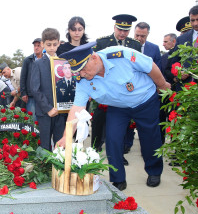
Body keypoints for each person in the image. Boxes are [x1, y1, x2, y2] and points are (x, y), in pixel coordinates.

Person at [57, 42, 170, 191]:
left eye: (83, 69)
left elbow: (150, 67)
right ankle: (118, 180)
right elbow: (77, 109)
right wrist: (66, 136)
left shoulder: (121, 55)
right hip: (118, 107)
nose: (82, 74)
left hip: (144, 100)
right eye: (78, 71)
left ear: (94, 58)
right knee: (112, 139)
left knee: (150, 137)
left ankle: (154, 171)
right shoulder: (83, 80)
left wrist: (162, 86)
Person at [91, 14, 141, 158]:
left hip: (124, 91)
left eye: (126, 30)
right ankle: (94, 150)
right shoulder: (102, 42)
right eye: (120, 29)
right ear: (114, 27)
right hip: (104, 90)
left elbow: (137, 67)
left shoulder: (135, 45)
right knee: (99, 121)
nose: (122, 33)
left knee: (121, 124)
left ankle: (118, 154)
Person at [124, 22, 162, 152]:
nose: (139, 38)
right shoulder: (127, 46)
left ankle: (147, 149)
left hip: (146, 92)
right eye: (137, 35)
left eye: (143, 36)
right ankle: (127, 144)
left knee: (146, 126)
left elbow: (158, 69)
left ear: (148, 34)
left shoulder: (154, 49)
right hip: (128, 91)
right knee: (128, 122)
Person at [31, 28, 65, 151]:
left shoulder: (62, 63)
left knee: (60, 145)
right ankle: (45, 169)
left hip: (60, 112)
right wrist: (48, 108)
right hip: (45, 112)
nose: (51, 48)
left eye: (54, 44)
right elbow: (35, 89)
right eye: (48, 45)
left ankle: (58, 170)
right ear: (43, 44)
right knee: (45, 146)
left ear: (59, 43)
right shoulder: (37, 63)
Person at [167, 5, 198, 92]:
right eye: (192, 20)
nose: (195, 23)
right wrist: (179, 72)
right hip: (185, 89)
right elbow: (175, 61)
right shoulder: (182, 38)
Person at [20, 38, 43, 118]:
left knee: (43, 119)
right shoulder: (28, 60)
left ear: (43, 46)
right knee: (32, 118)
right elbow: (23, 77)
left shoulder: (46, 59)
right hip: (31, 95)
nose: (36, 47)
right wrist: (23, 93)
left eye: (38, 45)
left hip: (43, 95)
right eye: (35, 46)